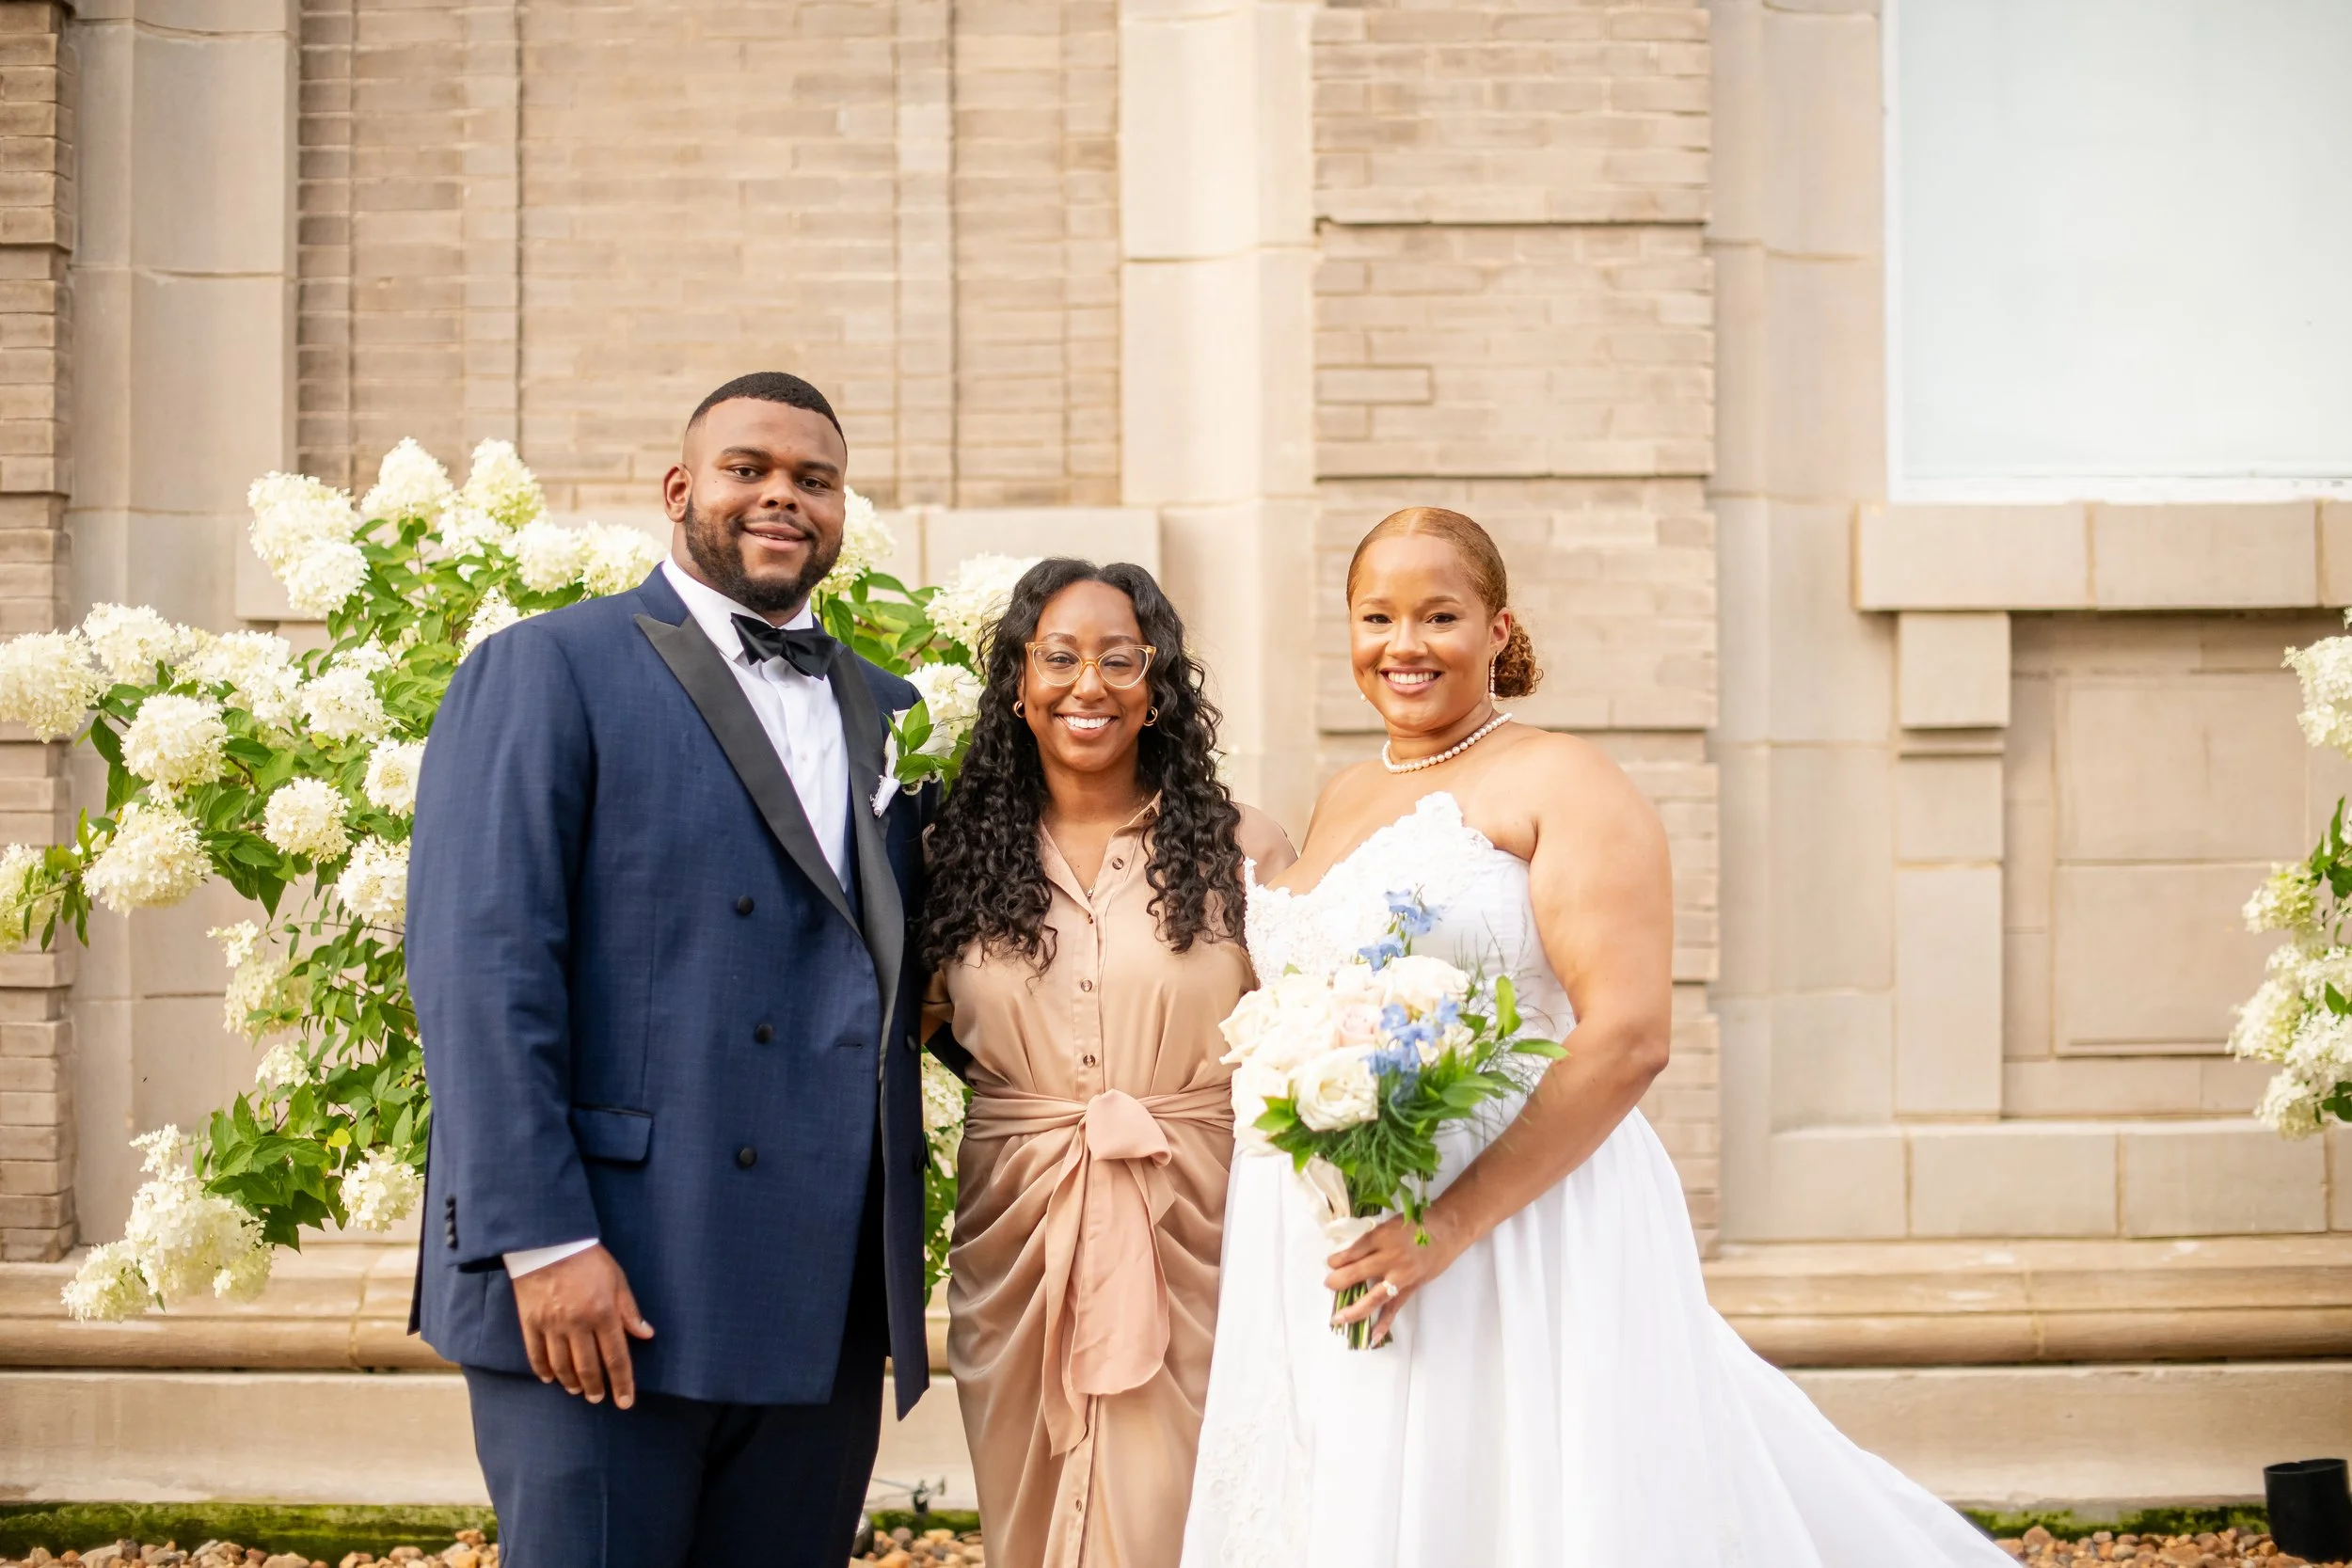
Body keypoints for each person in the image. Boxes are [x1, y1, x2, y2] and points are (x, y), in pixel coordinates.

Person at [1181, 508, 2010, 1568]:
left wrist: (1447, 1222)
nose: (1404, 643)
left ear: (1497, 630)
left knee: (1506, 1494)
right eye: (1376, 615)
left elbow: (1627, 1035)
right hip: (1331, 1228)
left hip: (1516, 1223)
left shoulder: (1564, 780)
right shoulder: (1344, 793)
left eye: (1439, 614)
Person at [407, 372, 934, 1567]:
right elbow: (481, 969)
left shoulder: (895, 710)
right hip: (605, 1278)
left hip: (819, 1293)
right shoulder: (548, 667)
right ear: (680, 488)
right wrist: (540, 1242)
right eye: (749, 468)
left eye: (814, 478)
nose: (782, 497)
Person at [924, 560, 1295, 1568]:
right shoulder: (948, 856)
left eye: (1119, 659)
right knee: (1025, 1506)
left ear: (1157, 686)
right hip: (1016, 1231)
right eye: (1059, 657)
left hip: (1202, 1224)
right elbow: (896, 1034)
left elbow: (1309, 1040)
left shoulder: (1244, 851)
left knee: (1179, 1506)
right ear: (1016, 681)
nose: (1088, 683)